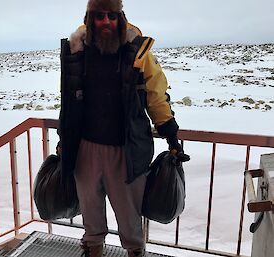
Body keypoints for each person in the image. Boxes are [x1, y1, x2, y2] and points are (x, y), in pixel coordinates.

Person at [58, 0, 190, 256]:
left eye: (112, 15)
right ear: (89, 19)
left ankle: (134, 252)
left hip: (127, 150)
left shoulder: (137, 52)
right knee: (91, 216)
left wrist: (169, 131)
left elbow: (156, 93)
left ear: (121, 18)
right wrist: (65, 138)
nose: (106, 21)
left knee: (130, 220)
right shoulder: (78, 52)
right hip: (86, 149)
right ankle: (93, 250)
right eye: (99, 16)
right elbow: (68, 100)